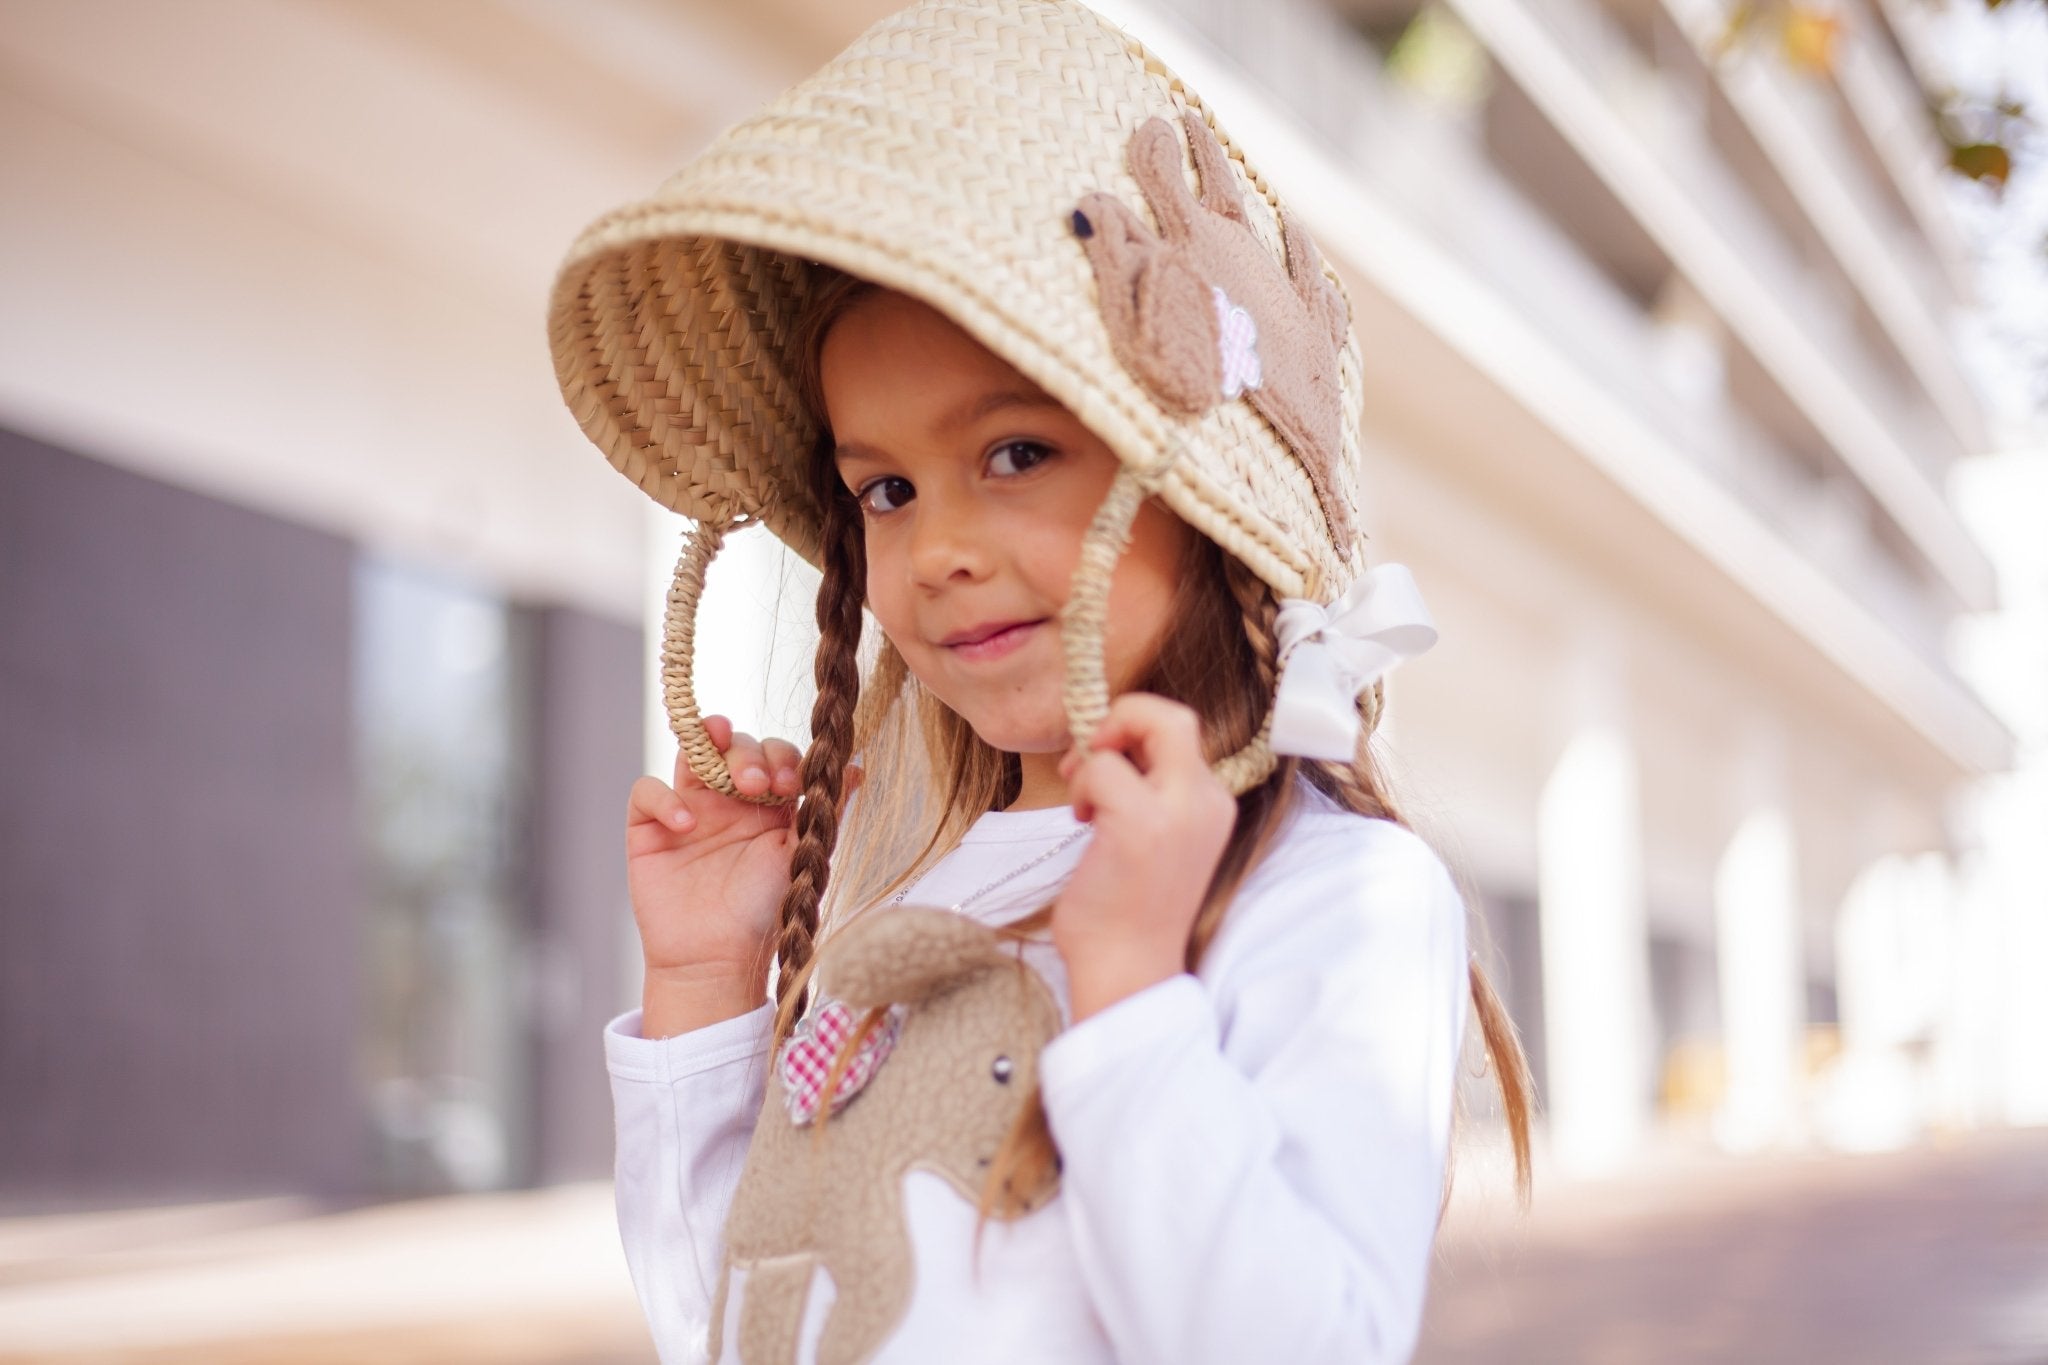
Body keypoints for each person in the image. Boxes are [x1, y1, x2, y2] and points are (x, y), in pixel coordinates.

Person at [546, 3, 1534, 1362]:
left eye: (1015, 453)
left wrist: (1130, 983)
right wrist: (709, 985)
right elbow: (742, 1320)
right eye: (885, 488)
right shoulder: (910, 915)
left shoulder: (1336, 893)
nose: (938, 549)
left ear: (1197, 486)